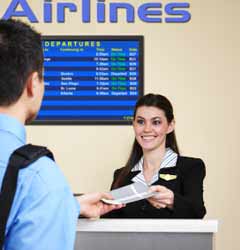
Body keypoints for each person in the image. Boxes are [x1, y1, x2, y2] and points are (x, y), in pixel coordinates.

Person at [0, 19, 122, 250]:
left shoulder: (40, 185)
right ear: (32, 84)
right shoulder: (38, 177)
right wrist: (52, 201)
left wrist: (68, 205)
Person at [104, 93, 206, 218]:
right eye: (141, 122)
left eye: (156, 122)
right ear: (134, 125)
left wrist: (172, 200)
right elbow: (109, 223)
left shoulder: (191, 167)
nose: (147, 129)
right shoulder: (121, 175)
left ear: (170, 126)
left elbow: (197, 212)